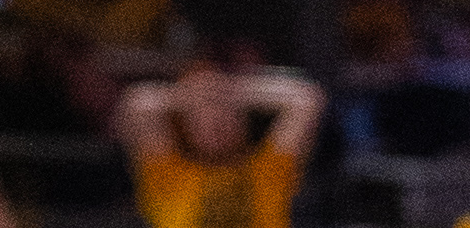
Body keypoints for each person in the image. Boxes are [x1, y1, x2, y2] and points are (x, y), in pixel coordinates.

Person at [112, 63, 323, 228]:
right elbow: (138, 102)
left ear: (244, 121)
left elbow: (305, 98)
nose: (216, 123)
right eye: (202, 118)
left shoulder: (268, 169)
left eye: (226, 114)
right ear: (187, 127)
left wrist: (229, 90)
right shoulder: (169, 175)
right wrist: (196, 93)